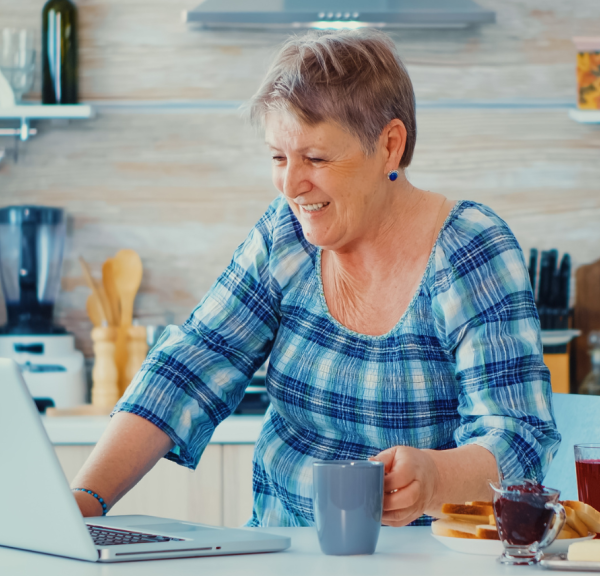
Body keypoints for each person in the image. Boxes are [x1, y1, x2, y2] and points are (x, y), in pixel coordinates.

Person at [71, 29, 560, 528]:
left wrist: (435, 477)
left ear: (390, 146)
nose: (290, 183)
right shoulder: (286, 234)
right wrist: (81, 503)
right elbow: (192, 365)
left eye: (317, 158)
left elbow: (518, 437)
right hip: (280, 550)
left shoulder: (469, 248)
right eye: (278, 157)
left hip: (419, 557)